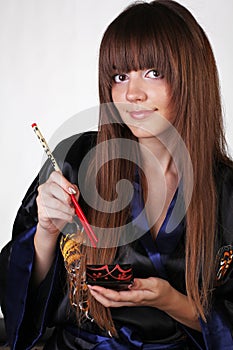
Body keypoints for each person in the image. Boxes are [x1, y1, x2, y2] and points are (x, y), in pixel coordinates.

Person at [1, 0, 233, 349]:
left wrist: (169, 300)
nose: (131, 94)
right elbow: (20, 300)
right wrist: (46, 233)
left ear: (191, 78)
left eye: (154, 73)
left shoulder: (226, 190)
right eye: (119, 76)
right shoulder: (76, 158)